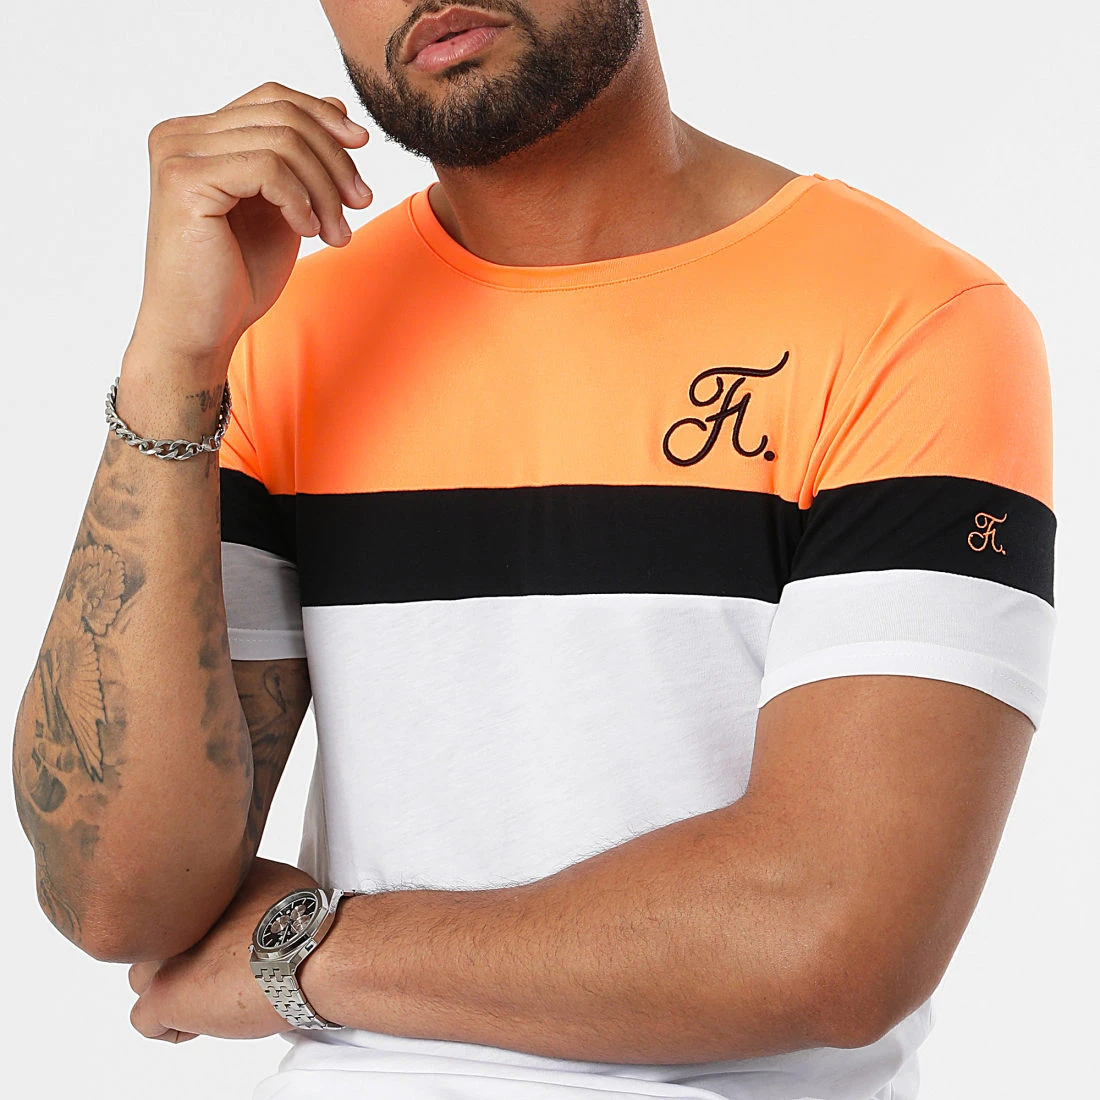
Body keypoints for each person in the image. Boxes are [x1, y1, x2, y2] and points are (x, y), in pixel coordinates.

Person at [12, 2, 1056, 1099]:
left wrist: (307, 952)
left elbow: (829, 940)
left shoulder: (909, 321)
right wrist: (172, 368)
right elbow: (119, 899)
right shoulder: (283, 336)